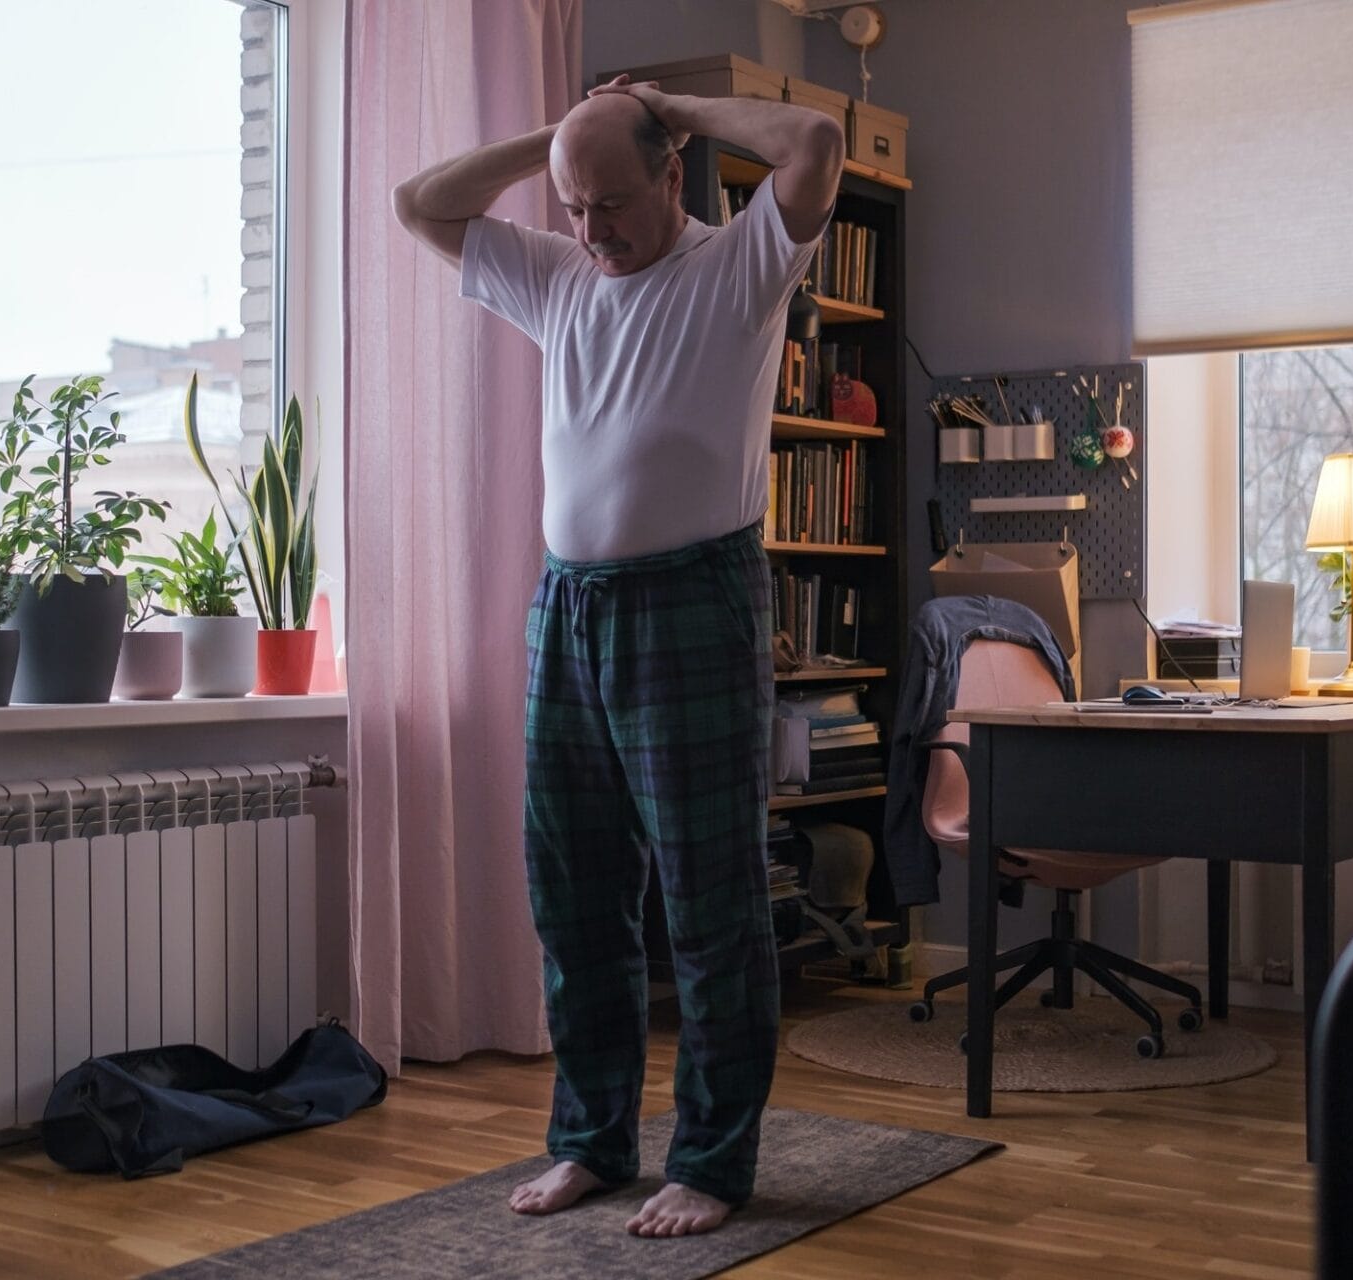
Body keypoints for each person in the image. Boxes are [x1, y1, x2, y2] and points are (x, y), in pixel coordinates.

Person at [392, 74, 843, 1238]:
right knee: (574, 895)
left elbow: (815, 141)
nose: (591, 230)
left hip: (693, 602)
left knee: (709, 898)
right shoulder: (556, 275)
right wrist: (563, 138)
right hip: (567, 608)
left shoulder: (740, 266)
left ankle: (712, 1159)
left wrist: (674, 104)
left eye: (612, 203)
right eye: (573, 207)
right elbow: (418, 204)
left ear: (672, 172)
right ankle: (590, 1141)